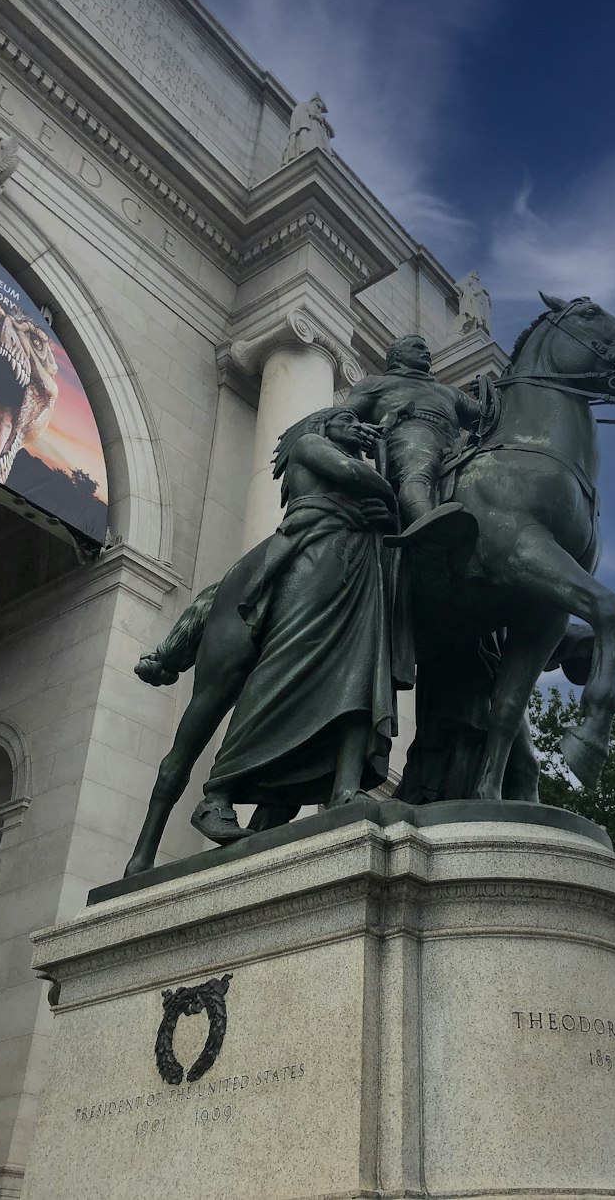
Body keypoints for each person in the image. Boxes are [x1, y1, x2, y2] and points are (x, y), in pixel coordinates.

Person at [189, 407, 411, 844]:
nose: (355, 425)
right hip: (317, 553)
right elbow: (355, 476)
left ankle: (346, 790)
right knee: (285, 665)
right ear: (321, 426)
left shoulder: (349, 465)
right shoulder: (311, 445)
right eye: (345, 419)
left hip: (359, 565)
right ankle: (217, 795)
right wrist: (386, 477)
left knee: (362, 677)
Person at [345, 334, 482, 547]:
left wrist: (489, 392)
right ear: (397, 355)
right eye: (418, 347)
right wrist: (358, 429)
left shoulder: (449, 392)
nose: (426, 352)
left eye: (426, 348)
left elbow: (484, 415)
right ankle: (427, 526)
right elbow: (343, 414)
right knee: (420, 467)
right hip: (410, 431)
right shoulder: (377, 383)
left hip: (455, 441)